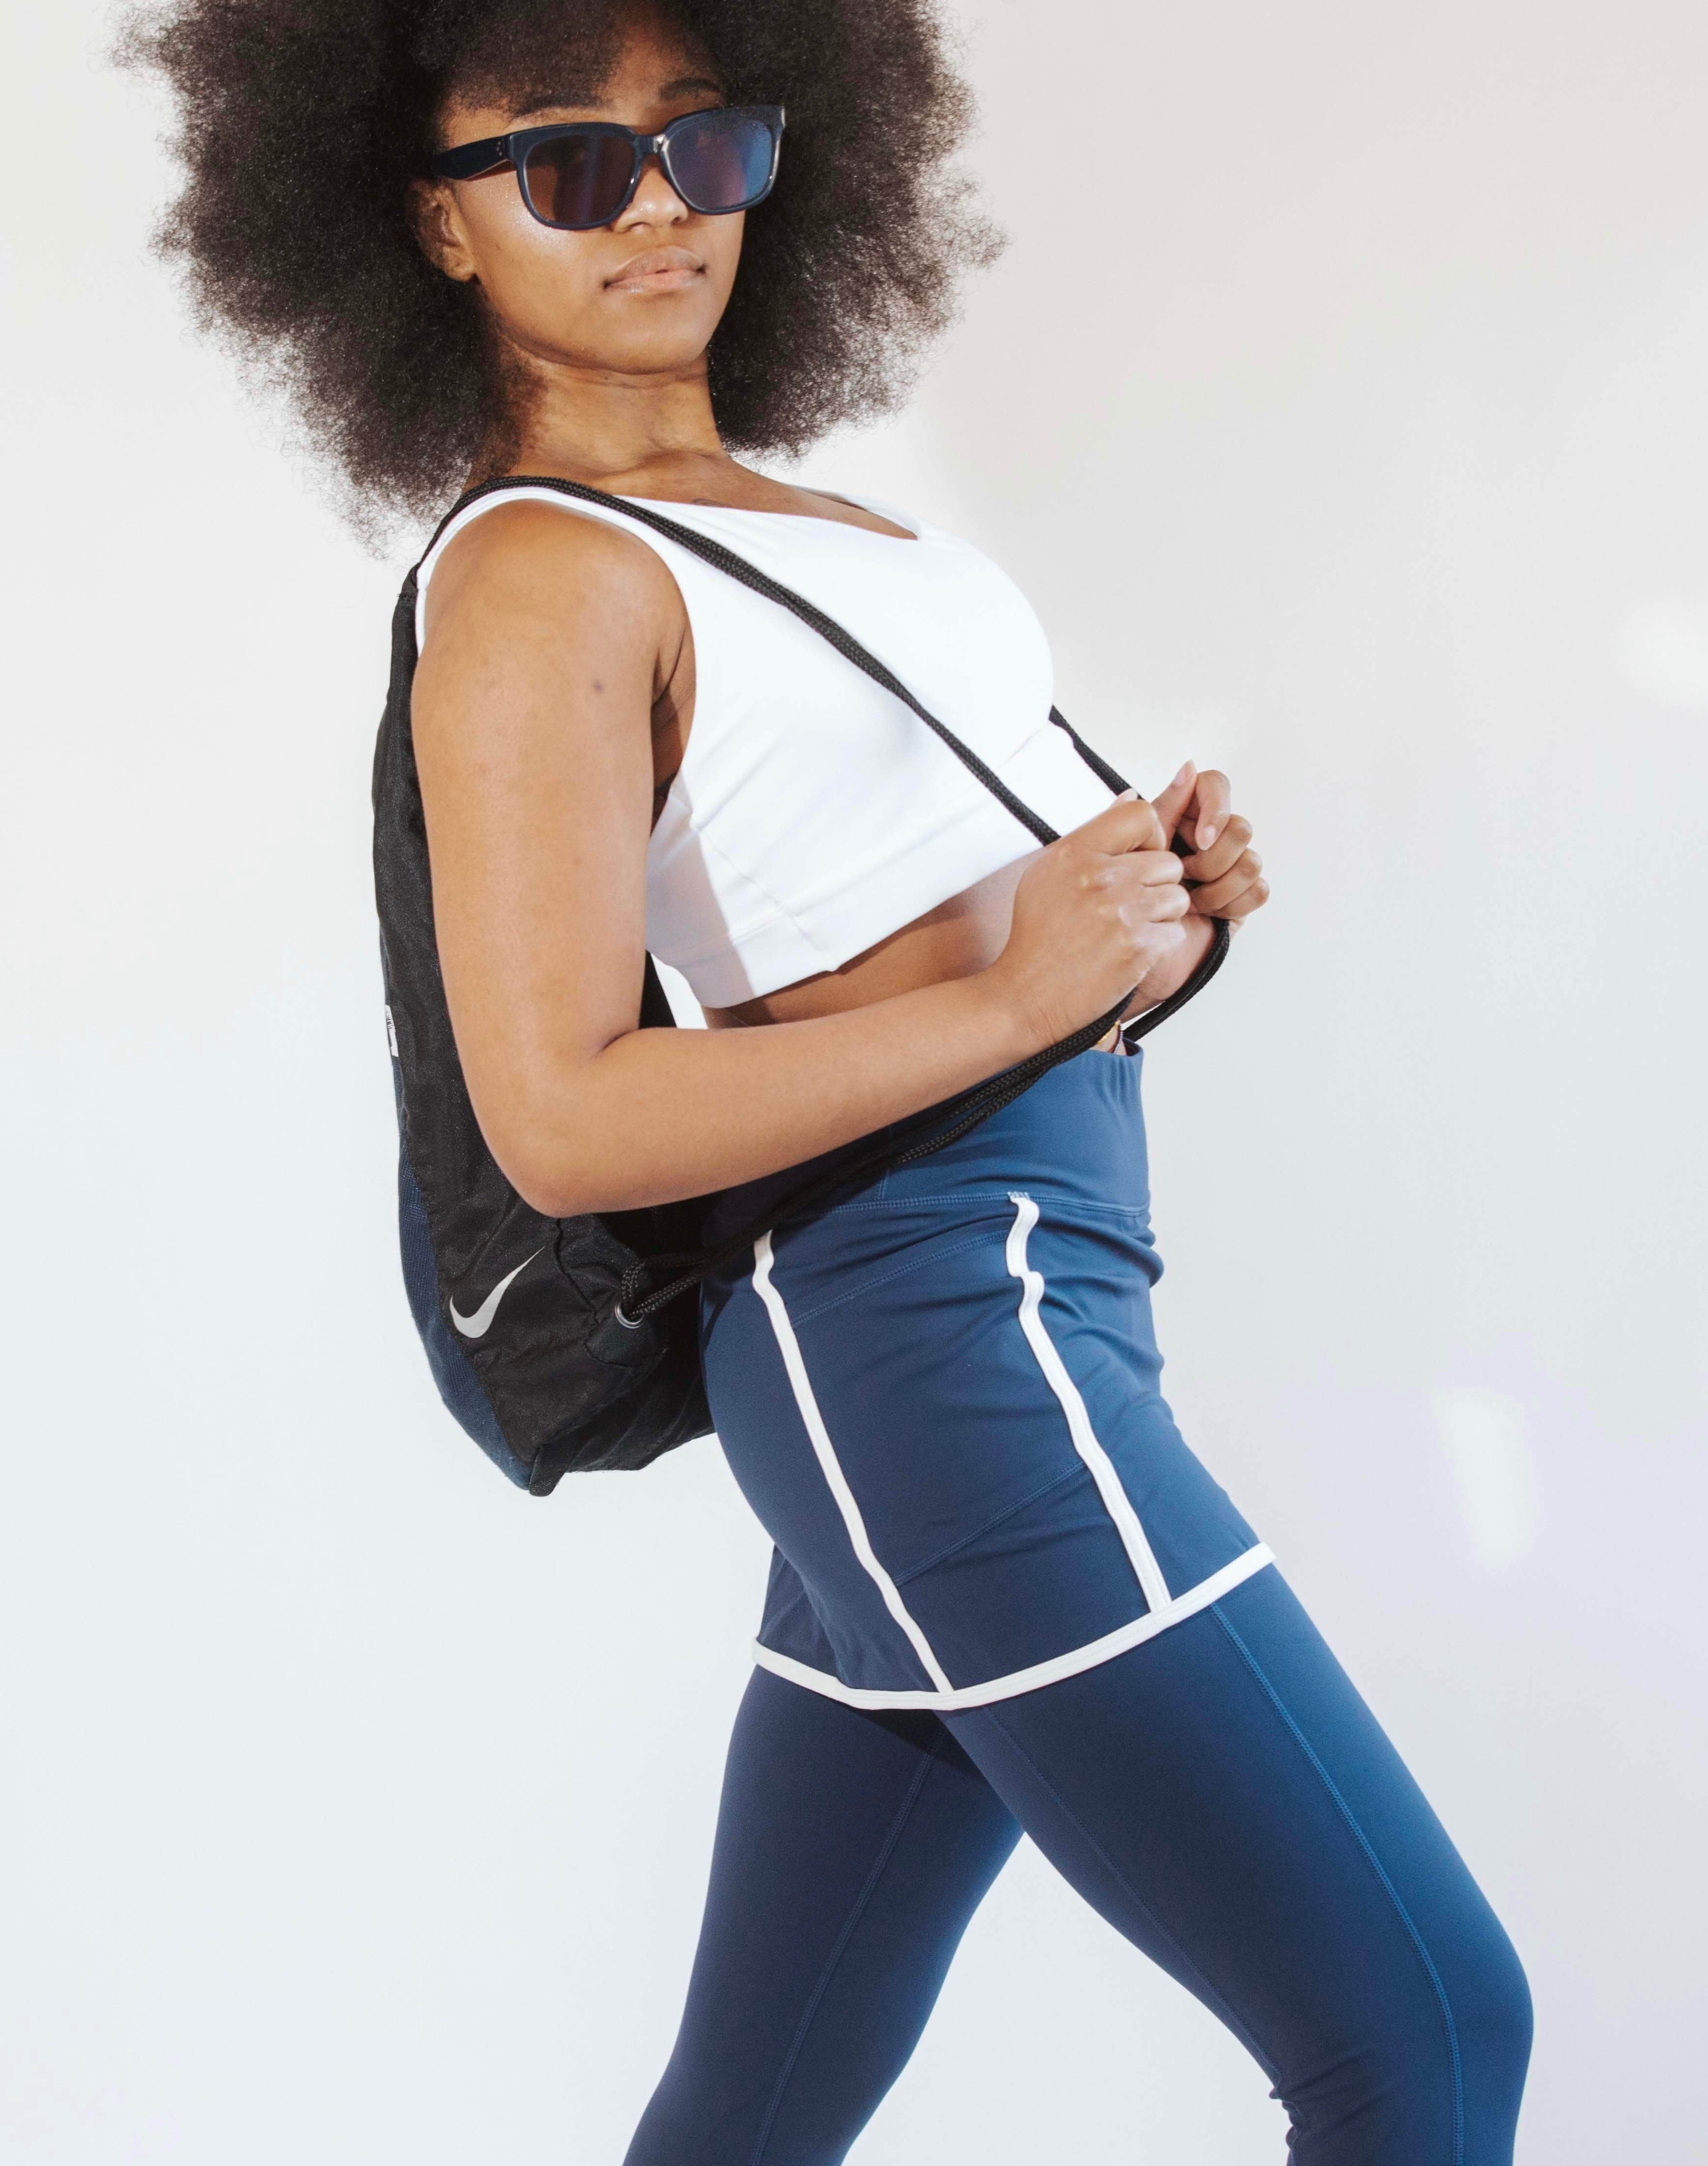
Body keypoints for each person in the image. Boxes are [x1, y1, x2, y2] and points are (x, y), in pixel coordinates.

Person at [128, 1, 1533, 2157]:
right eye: (574, 167)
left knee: (765, 2099)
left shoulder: (809, 526)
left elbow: (929, 925)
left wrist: (1157, 922)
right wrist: (1010, 1000)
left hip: (1020, 1293)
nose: (662, 207)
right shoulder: (534, 579)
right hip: (925, 1331)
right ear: (428, 223)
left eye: (710, 140)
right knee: (1425, 2025)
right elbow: (564, 1108)